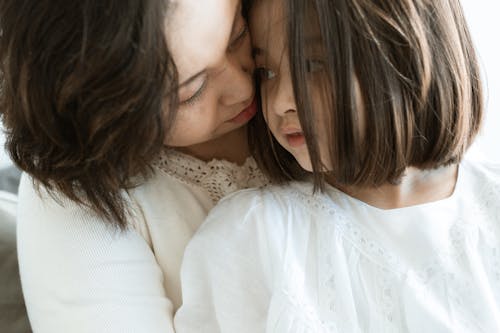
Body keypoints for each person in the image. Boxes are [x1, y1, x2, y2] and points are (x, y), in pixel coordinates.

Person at [174, 0, 500, 331]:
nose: (282, 100)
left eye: (314, 66)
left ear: (406, 51)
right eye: (266, 72)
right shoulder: (252, 235)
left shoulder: (489, 206)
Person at [0, 0, 267, 332]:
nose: (242, 89)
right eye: (191, 92)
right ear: (104, 111)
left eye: (237, 36)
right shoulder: (74, 195)